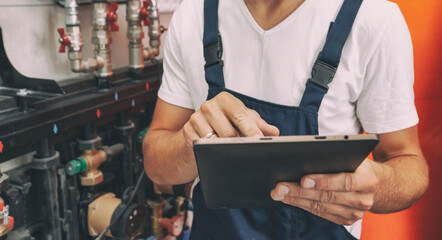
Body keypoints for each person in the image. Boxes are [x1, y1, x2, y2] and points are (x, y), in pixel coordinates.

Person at [143, 0, 429, 239]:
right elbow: (156, 162)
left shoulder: (374, 18)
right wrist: (188, 143)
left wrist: (375, 186)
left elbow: (409, 165)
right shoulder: (193, 13)